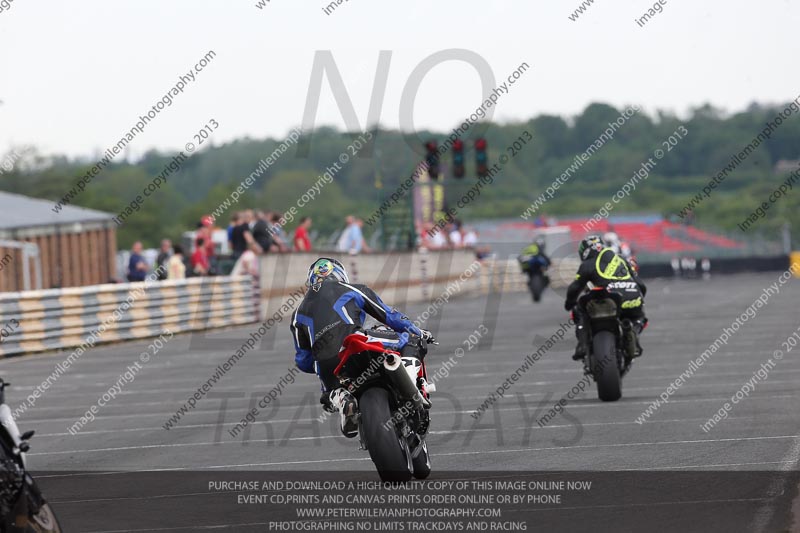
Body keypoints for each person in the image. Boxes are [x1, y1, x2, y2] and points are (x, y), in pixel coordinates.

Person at [290, 258, 435, 438]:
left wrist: (322, 358)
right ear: (340, 274)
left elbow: (303, 361)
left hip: (326, 365)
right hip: (355, 341)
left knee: (328, 393)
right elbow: (389, 316)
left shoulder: (297, 314)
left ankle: (341, 398)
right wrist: (418, 331)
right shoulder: (351, 289)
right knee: (412, 339)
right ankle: (410, 386)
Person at [564, 236, 648, 361]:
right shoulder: (621, 259)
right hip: (632, 295)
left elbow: (575, 288)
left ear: (584, 252)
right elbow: (641, 285)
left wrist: (569, 303)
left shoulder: (587, 264)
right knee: (639, 317)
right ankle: (633, 330)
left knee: (578, 311)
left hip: (610, 299)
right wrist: (640, 299)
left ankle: (582, 345)